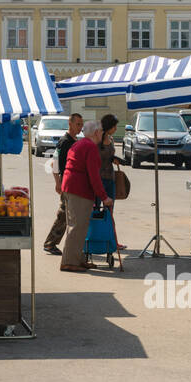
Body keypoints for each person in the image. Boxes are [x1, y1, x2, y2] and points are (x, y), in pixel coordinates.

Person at [60, 120, 113, 273]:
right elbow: (94, 176)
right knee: (77, 227)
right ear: (96, 132)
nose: (103, 134)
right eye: (102, 131)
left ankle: (78, 258)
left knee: (79, 226)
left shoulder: (80, 144)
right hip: (79, 190)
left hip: (71, 188)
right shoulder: (90, 147)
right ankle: (69, 261)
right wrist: (104, 197)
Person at [42, 113, 84, 255]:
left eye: (81, 124)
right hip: (66, 182)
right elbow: (55, 163)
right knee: (63, 214)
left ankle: (53, 243)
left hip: (73, 183)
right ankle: (50, 243)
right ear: (70, 124)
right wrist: (57, 183)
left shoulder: (75, 140)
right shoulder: (65, 142)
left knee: (66, 214)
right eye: (78, 124)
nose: (80, 127)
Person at [98, 115, 127, 263]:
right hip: (98, 180)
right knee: (96, 212)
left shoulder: (111, 139)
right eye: (114, 126)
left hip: (110, 179)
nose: (116, 129)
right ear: (109, 126)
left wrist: (115, 159)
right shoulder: (97, 140)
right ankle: (96, 240)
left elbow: (109, 156)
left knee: (110, 212)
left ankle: (113, 241)